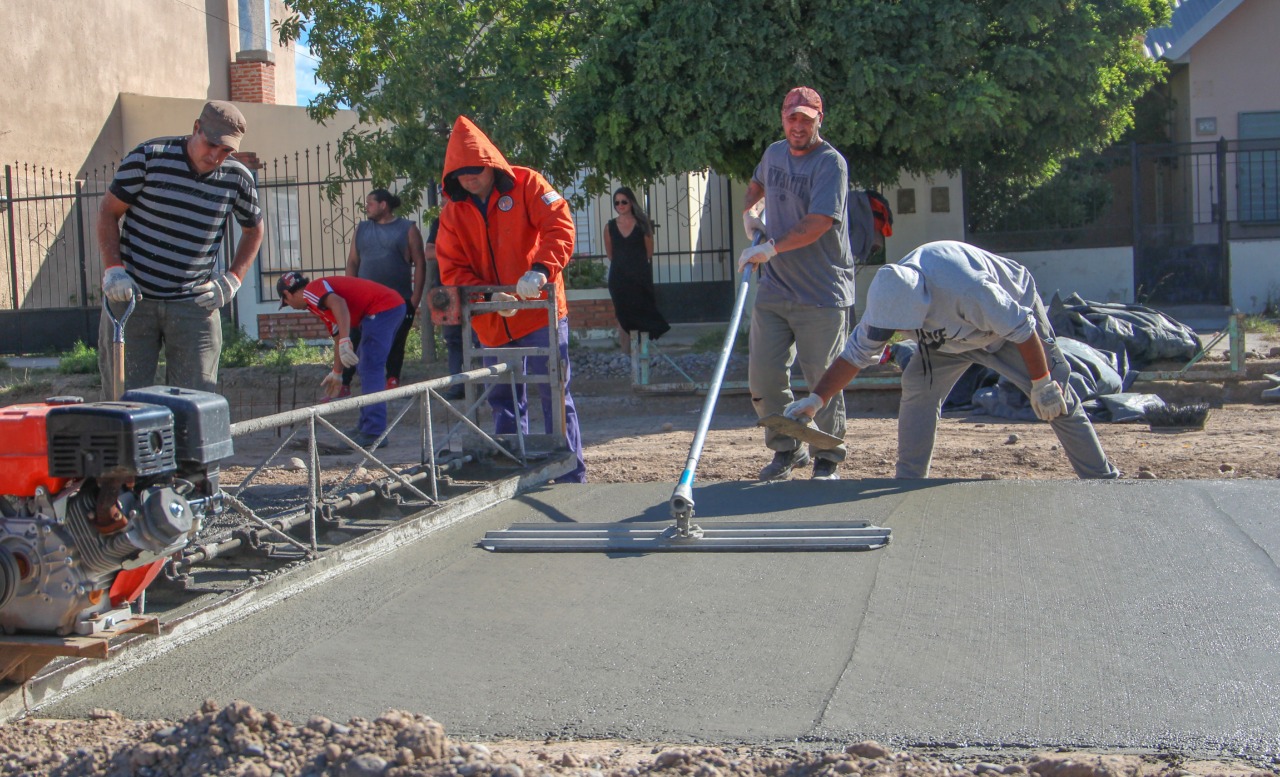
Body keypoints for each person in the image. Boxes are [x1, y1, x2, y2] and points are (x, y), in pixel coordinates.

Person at [784, 240, 1121, 480]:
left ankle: (1102, 480)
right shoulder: (887, 301)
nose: (894, 333)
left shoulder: (968, 289)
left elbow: (1022, 330)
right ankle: (910, 482)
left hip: (1007, 332)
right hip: (946, 340)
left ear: (921, 307)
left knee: (1058, 400)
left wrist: (1042, 383)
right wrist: (815, 401)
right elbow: (853, 357)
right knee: (917, 387)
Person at [434, 115, 586, 483]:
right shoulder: (454, 212)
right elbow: (451, 268)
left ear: (490, 164)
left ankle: (569, 473)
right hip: (491, 320)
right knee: (502, 398)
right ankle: (516, 472)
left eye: (474, 170)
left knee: (554, 393)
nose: (469, 178)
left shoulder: (527, 183)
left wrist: (541, 269)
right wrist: (489, 296)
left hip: (539, 314)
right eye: (460, 174)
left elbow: (560, 225)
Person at [96, 100, 264, 394]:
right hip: (132, 296)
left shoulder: (237, 178)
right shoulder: (148, 158)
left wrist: (233, 279)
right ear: (196, 128)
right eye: (211, 144)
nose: (215, 156)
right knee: (122, 397)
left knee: (196, 402)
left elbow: (254, 230)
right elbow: (108, 212)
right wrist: (114, 270)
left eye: (225, 150)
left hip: (194, 303)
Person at [738, 86, 854, 481]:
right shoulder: (773, 153)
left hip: (822, 292)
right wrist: (751, 213)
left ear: (820, 119)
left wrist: (770, 249)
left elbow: (818, 223)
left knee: (823, 377)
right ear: (782, 117)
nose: (798, 125)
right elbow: (757, 185)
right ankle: (787, 448)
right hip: (776, 289)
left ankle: (828, 455)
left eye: (807, 118)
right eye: (792, 117)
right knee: (764, 375)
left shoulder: (830, 165)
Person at [277, 271, 406, 449]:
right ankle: (366, 426)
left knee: (370, 365)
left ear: (287, 294)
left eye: (286, 303)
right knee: (367, 365)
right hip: (385, 307)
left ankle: (374, 431)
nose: (290, 306)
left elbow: (340, 303)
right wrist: (337, 373)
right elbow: (338, 335)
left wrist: (347, 340)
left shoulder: (312, 290)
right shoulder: (318, 305)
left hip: (383, 307)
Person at [334, 189, 426, 400]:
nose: (366, 207)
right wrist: (350, 291)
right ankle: (344, 383)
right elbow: (353, 261)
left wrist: (415, 298)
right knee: (354, 337)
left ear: (384, 205)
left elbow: (420, 264)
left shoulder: (407, 229)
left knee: (396, 340)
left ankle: (392, 380)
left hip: (398, 300)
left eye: (370, 203)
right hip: (364, 300)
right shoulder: (362, 229)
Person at [604, 186, 669, 355]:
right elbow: (610, 255)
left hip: (640, 277)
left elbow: (649, 252)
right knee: (623, 315)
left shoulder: (642, 225)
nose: (620, 205)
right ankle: (626, 354)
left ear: (631, 202)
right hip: (619, 279)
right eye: (617, 202)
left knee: (643, 313)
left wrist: (634, 264)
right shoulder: (609, 227)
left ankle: (643, 353)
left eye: (624, 201)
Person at [423, 218, 466, 400]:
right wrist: (454, 251)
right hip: (447, 288)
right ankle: (457, 386)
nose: (442, 199)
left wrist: (446, 251)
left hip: (475, 284)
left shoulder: (472, 216)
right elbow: (429, 252)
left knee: (483, 339)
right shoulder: (439, 222)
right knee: (453, 340)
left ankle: (486, 385)